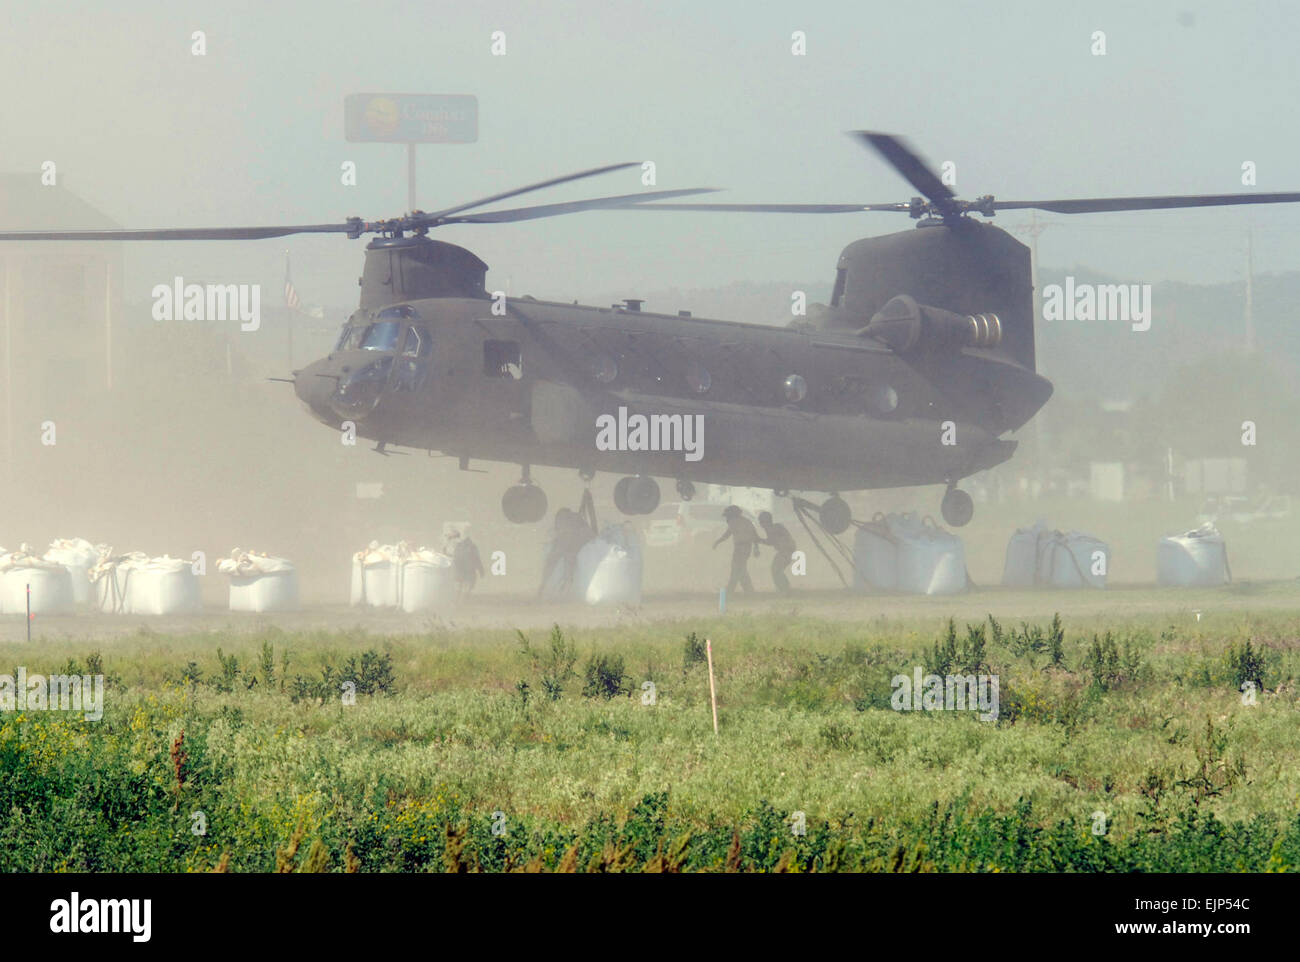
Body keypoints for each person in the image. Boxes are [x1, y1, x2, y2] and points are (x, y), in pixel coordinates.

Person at [538, 508, 593, 598]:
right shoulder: (561, 539)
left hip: (580, 546)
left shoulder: (578, 532)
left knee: (568, 557)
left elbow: (570, 554)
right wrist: (542, 586)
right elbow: (551, 561)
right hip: (571, 546)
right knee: (555, 558)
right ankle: (558, 588)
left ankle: (565, 589)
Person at [712, 505, 759, 595]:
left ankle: (732, 590)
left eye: (728, 516)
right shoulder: (745, 522)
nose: (727, 519)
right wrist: (756, 548)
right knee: (740, 569)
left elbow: (727, 535)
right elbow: (754, 535)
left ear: (733, 515)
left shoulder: (736, 522)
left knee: (737, 569)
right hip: (744, 548)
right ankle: (748, 590)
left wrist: (717, 542)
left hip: (742, 548)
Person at [758, 511, 797, 594]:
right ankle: (785, 588)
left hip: (786, 550)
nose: (761, 524)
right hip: (787, 550)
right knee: (777, 570)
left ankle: (784, 589)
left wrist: (759, 540)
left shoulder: (772, 528)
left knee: (776, 570)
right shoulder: (775, 527)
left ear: (765, 522)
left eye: (761, 522)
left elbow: (771, 541)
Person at [445, 528, 485, 597]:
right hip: (468, 570)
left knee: (459, 586)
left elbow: (448, 556)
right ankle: (462, 600)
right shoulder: (471, 546)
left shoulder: (454, 545)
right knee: (467, 587)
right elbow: (477, 559)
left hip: (459, 570)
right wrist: (481, 570)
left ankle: (458, 600)